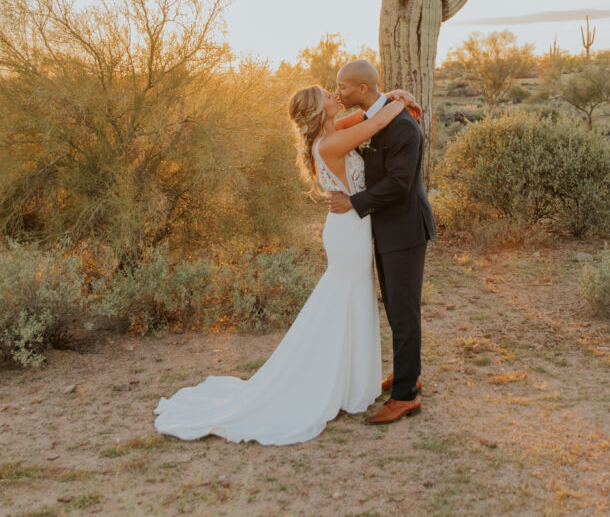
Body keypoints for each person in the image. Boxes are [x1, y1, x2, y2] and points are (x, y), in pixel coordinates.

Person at [153, 83, 414, 446]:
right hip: (348, 231)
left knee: (351, 299)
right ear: (316, 111)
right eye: (326, 95)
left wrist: (394, 95)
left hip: (349, 227)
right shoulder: (331, 142)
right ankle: (342, 382)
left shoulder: (334, 131)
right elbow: (378, 121)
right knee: (347, 300)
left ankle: (352, 381)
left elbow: (370, 114)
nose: (334, 96)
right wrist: (399, 99)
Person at [328, 60, 436, 425]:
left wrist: (352, 203)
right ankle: (410, 372)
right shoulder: (373, 117)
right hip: (385, 229)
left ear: (360, 89)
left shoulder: (404, 126)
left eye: (342, 86)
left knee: (404, 312)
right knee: (395, 308)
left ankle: (406, 395)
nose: (337, 91)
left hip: (404, 230)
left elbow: (399, 183)